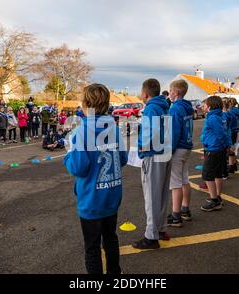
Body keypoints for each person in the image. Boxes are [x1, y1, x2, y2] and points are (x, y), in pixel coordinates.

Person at [63, 83, 128, 275]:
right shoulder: (113, 128)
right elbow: (122, 159)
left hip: (91, 199)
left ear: (85, 104)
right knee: (111, 239)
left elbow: (78, 168)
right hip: (111, 195)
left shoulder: (82, 131)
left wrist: (68, 156)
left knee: (92, 247)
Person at [132, 79, 171, 250]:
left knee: (151, 196)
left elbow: (150, 133)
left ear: (145, 93)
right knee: (161, 194)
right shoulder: (164, 105)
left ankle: (151, 235)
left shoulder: (150, 108)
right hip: (165, 152)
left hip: (153, 155)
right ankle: (160, 229)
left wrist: (141, 149)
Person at [166, 80, 194, 228]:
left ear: (176, 92)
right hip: (187, 145)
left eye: (170, 91)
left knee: (175, 182)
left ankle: (176, 216)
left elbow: (174, 132)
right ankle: (185, 209)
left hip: (178, 147)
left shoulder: (175, 109)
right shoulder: (188, 107)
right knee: (184, 179)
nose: (169, 93)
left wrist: (169, 150)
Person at [200, 96, 231, 212]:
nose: (203, 106)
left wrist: (227, 145)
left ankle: (214, 201)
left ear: (209, 106)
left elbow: (220, 134)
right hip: (218, 149)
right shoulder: (219, 116)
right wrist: (227, 146)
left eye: (205, 104)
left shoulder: (212, 118)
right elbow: (224, 132)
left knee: (207, 174)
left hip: (214, 149)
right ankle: (217, 197)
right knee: (217, 174)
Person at [228, 98, 239, 173]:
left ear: (230, 104)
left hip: (231, 131)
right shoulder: (237, 110)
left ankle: (231, 166)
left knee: (231, 148)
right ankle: (234, 164)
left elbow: (228, 124)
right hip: (236, 130)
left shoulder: (230, 112)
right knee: (234, 147)